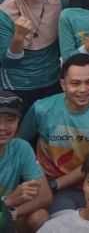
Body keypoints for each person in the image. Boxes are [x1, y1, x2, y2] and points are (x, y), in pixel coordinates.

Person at [18, 55, 89, 214]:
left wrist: (56, 184)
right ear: (63, 84)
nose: (83, 89)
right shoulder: (42, 109)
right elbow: (19, 144)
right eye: (75, 83)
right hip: (48, 186)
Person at [0, 0, 61, 112]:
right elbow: (8, 62)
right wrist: (19, 37)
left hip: (52, 85)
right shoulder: (4, 13)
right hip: (16, 88)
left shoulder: (59, 4)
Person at [0, 90, 51, 231]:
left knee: (39, 216)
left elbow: (46, 196)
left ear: (18, 122)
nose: (2, 127)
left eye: (10, 120)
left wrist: (13, 212)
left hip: (5, 215)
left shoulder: (21, 147)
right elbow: (10, 201)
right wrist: (9, 201)